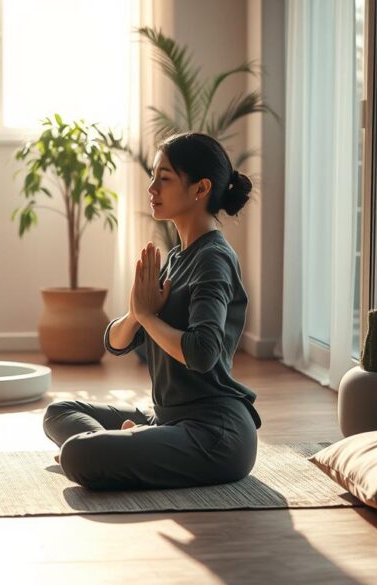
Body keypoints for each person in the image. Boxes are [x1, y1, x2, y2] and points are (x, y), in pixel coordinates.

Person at [43, 132, 262, 490]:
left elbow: (203, 353)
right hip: (166, 418)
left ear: (200, 188)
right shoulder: (176, 258)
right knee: (59, 412)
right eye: (152, 178)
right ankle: (122, 444)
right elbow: (114, 342)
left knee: (78, 454)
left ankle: (107, 449)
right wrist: (136, 314)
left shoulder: (214, 259)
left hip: (215, 433)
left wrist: (147, 317)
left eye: (164, 178)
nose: (152, 188)